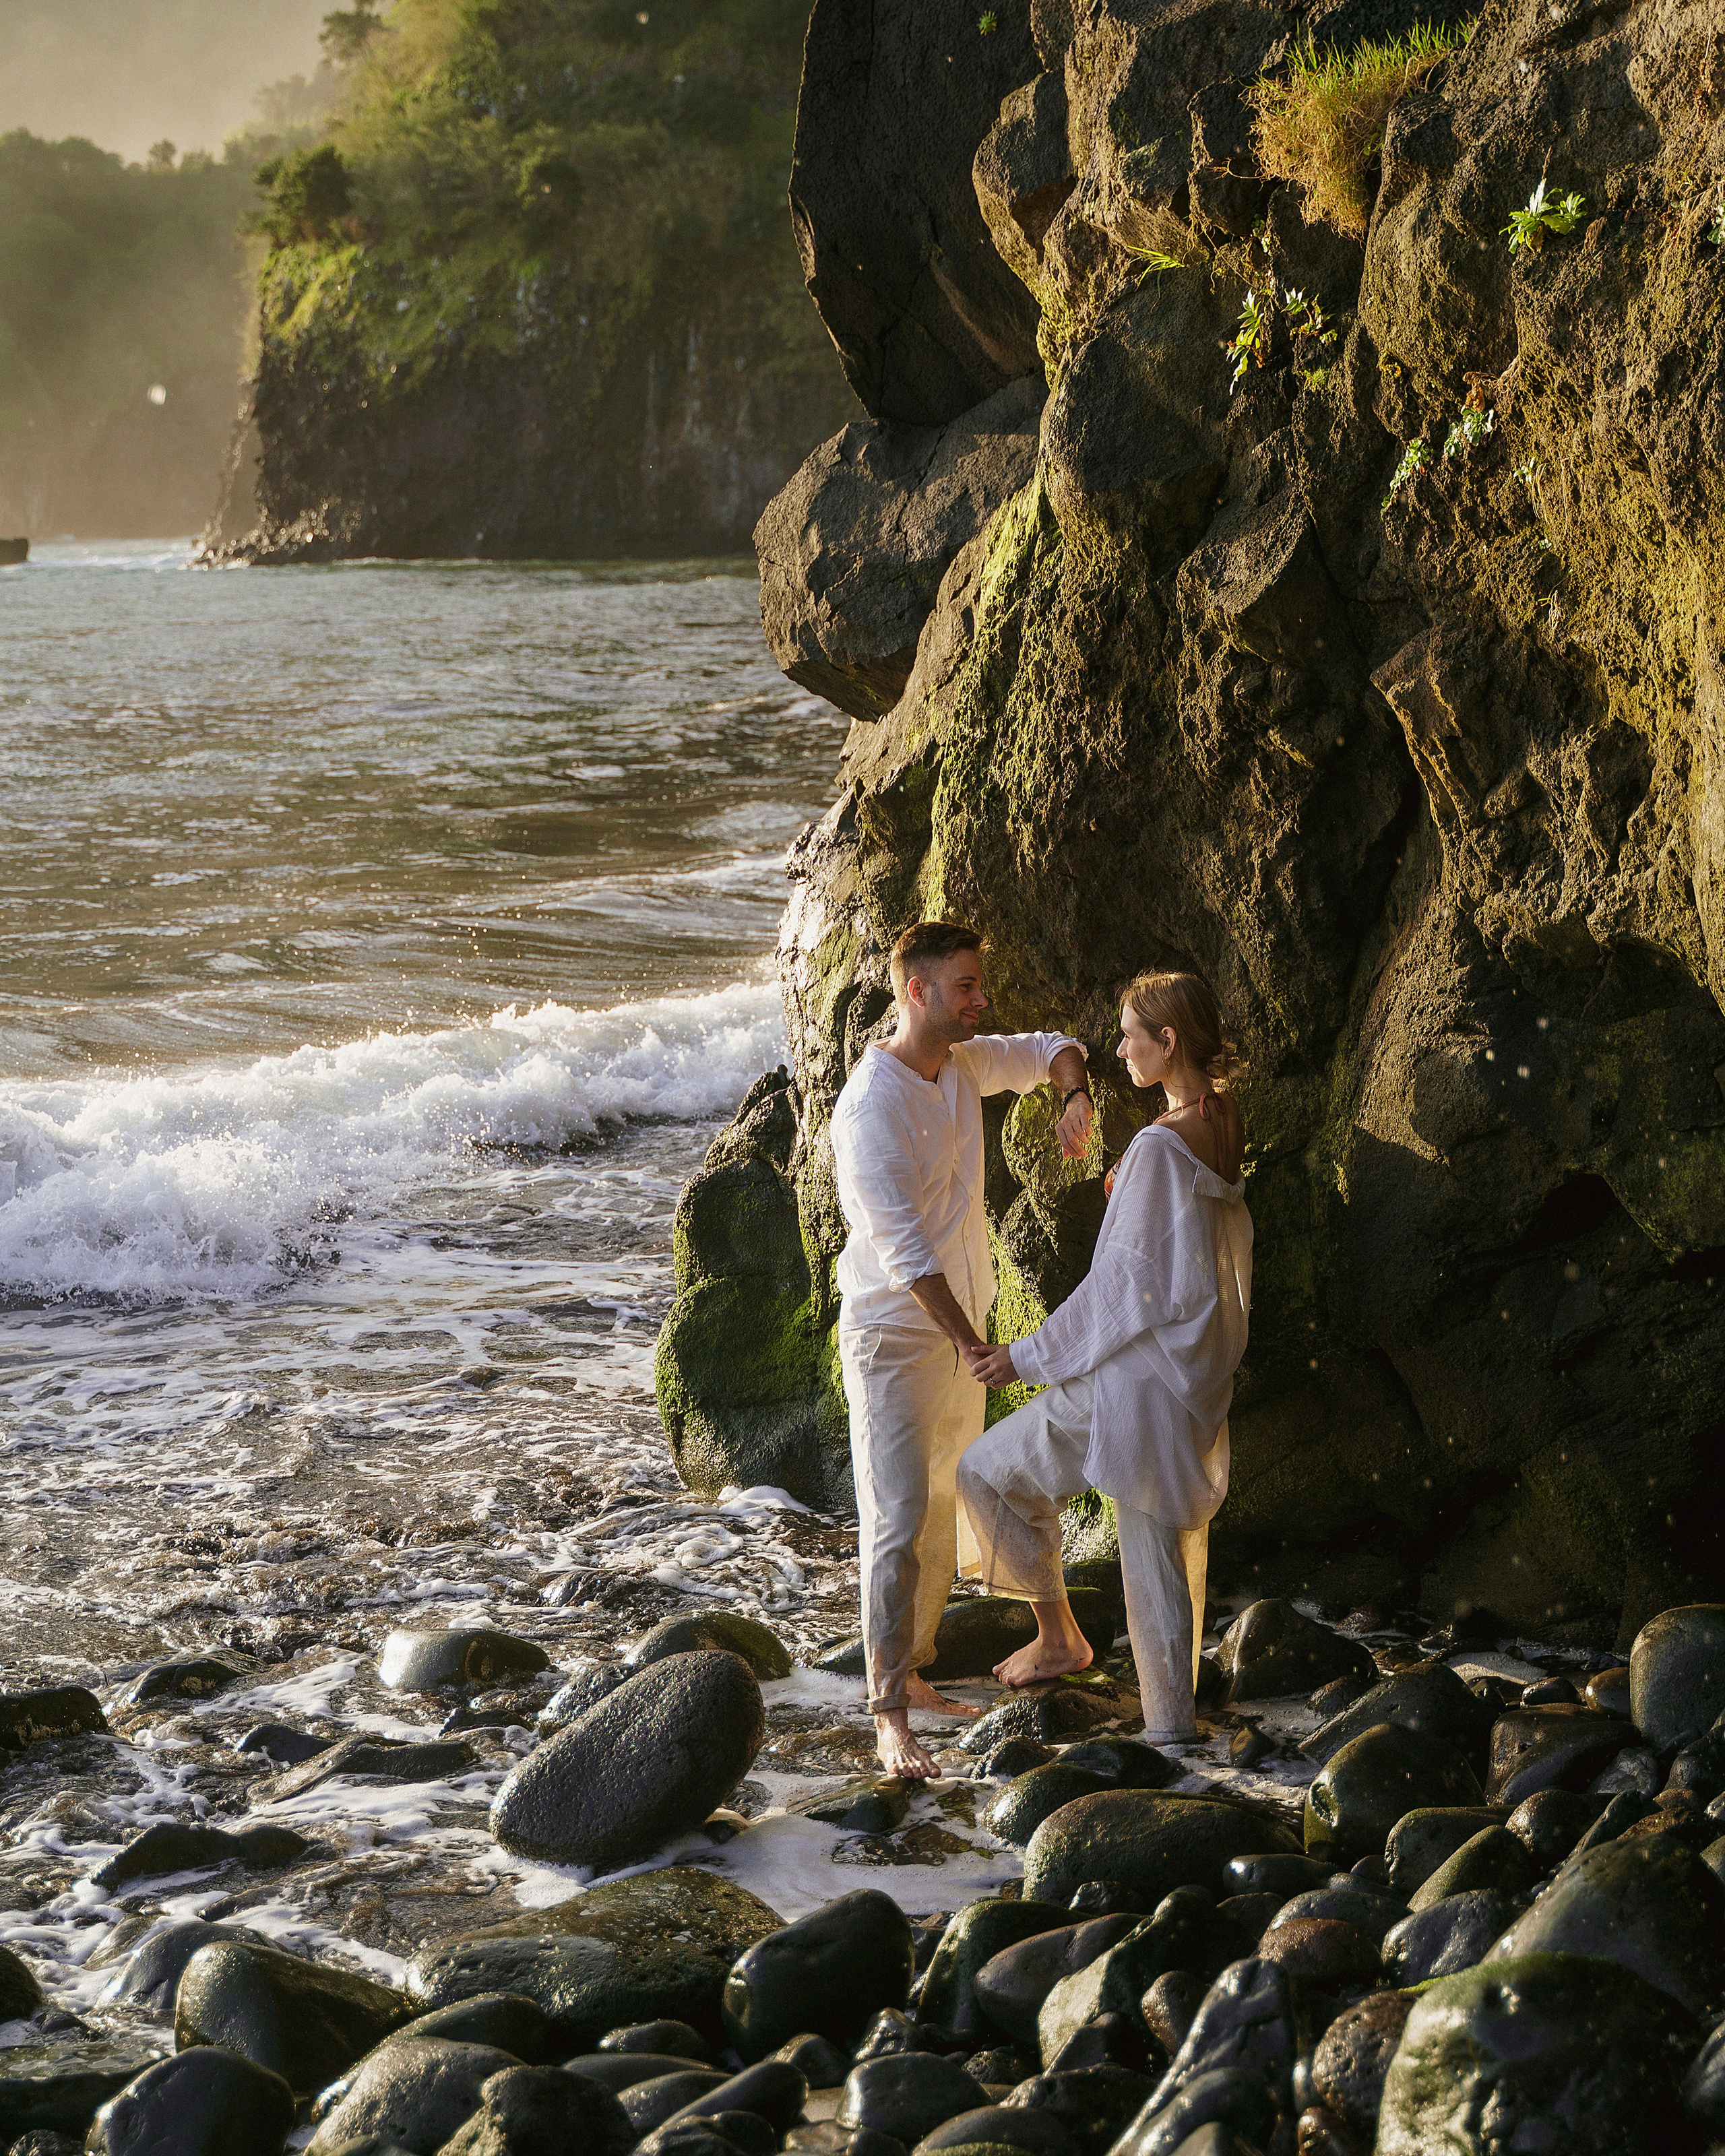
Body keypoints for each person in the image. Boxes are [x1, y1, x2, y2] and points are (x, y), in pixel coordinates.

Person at [958, 969, 1252, 1746]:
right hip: (1189, 1368)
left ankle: (1162, 1729)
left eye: (1130, 1036)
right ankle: (1168, 1722)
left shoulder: (1161, 1144)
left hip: (1138, 1372)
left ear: (1169, 1042)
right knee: (1163, 1546)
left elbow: (1120, 1289)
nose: (1117, 1048)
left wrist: (1021, 1357)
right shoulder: (1220, 1116)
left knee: (987, 1474)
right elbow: (1184, 1237)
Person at [830, 921, 1092, 1779]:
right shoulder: (873, 1105)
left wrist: (1071, 1094)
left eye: (981, 984)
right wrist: (979, 1347)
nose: (982, 1000)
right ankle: (886, 1712)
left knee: (941, 1501)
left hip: (958, 1330)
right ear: (916, 992)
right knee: (896, 1517)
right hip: (896, 1337)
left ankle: (915, 1667)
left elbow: (1055, 1046)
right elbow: (906, 1256)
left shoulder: (963, 1062)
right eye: (966, 988)